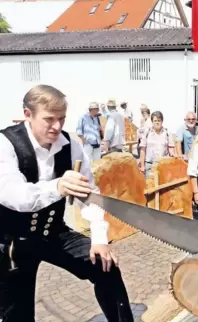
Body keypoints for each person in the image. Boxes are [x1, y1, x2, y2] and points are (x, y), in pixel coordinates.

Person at [0, 85, 134, 321]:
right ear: (27, 114)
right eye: (49, 119)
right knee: (17, 314)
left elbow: (90, 194)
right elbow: (13, 195)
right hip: (12, 241)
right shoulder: (5, 143)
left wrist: (100, 239)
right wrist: (57, 186)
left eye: (62, 119)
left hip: (53, 232)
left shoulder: (71, 145)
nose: (57, 126)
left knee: (105, 265)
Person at [138, 111, 175, 177]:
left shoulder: (167, 133)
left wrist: (174, 157)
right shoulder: (147, 132)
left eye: (159, 120)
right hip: (149, 165)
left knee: (163, 185)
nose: (157, 122)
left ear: (162, 121)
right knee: (150, 185)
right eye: (155, 121)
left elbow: (171, 149)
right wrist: (143, 166)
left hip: (163, 165)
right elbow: (142, 150)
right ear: (152, 121)